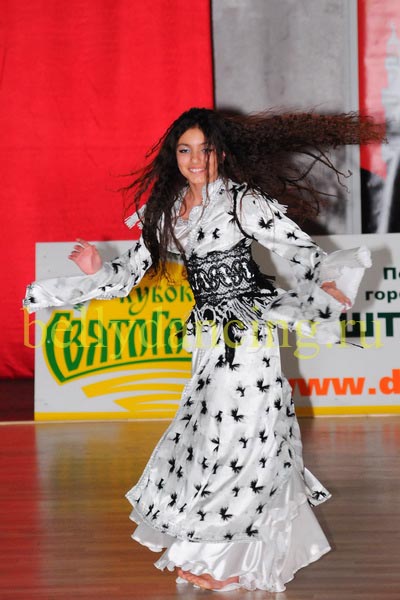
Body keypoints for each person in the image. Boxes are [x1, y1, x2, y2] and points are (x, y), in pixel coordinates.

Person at [23, 107, 383, 593]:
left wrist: (329, 282)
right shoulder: (168, 208)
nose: (196, 160)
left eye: (206, 150)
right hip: (209, 339)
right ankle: (218, 553)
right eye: (185, 149)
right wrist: (95, 268)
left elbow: (303, 251)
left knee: (241, 440)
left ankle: (232, 561)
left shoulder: (242, 201)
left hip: (249, 335)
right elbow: (128, 273)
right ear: (173, 156)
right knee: (208, 441)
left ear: (222, 154)